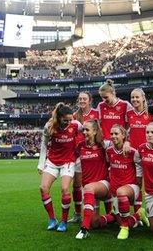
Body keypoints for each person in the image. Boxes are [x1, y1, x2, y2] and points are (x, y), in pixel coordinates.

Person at [37, 103, 82, 232]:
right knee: (43, 188)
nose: (68, 122)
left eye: (70, 119)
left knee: (64, 188)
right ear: (59, 117)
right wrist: (41, 164)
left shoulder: (76, 125)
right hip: (52, 161)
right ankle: (52, 219)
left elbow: (87, 133)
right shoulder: (50, 126)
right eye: (65, 120)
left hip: (68, 162)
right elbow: (44, 145)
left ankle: (63, 221)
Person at [98, 80, 137, 215]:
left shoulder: (125, 105)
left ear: (113, 93)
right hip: (106, 145)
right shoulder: (101, 106)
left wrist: (128, 141)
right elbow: (99, 125)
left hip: (121, 143)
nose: (104, 100)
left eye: (106, 97)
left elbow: (131, 124)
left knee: (125, 171)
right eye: (102, 97)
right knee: (108, 173)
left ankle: (134, 204)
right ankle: (112, 208)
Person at [105, 124, 147, 240]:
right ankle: (138, 215)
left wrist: (138, 179)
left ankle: (124, 228)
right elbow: (108, 165)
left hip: (131, 188)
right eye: (112, 134)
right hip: (116, 191)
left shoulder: (132, 151)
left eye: (116, 134)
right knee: (124, 221)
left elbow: (139, 165)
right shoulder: (108, 151)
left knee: (121, 192)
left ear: (123, 135)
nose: (113, 136)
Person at [74, 120, 113, 239]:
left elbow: (120, 142)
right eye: (83, 130)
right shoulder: (80, 146)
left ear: (95, 131)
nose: (84, 132)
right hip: (89, 190)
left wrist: (126, 142)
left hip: (103, 185)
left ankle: (84, 229)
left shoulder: (104, 145)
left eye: (87, 130)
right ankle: (115, 217)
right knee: (95, 223)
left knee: (88, 187)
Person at [69, 92, 100, 224]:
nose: (82, 101)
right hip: (79, 153)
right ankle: (77, 214)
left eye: (84, 99)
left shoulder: (97, 113)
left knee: (95, 183)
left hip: (93, 153)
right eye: (80, 99)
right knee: (77, 185)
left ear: (90, 100)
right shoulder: (74, 116)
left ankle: (101, 213)